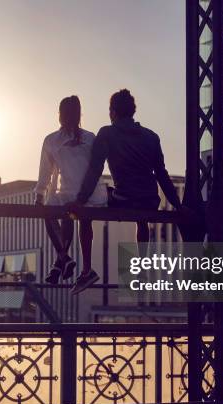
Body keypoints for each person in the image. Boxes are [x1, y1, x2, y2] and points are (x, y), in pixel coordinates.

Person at [69, 89, 184, 294]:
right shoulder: (151, 136)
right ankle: (142, 267)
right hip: (149, 199)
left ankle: (87, 270)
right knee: (143, 219)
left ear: (113, 112)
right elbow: (161, 174)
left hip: (124, 199)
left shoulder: (107, 133)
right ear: (133, 111)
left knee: (85, 212)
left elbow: (95, 170)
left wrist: (80, 199)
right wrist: (177, 204)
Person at [35, 96, 107, 289]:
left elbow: (45, 172)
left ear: (59, 115)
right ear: (79, 115)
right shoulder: (90, 137)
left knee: (51, 212)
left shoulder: (51, 140)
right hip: (90, 194)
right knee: (82, 219)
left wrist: (39, 194)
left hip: (67, 193)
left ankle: (63, 258)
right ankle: (77, 266)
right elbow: (96, 167)